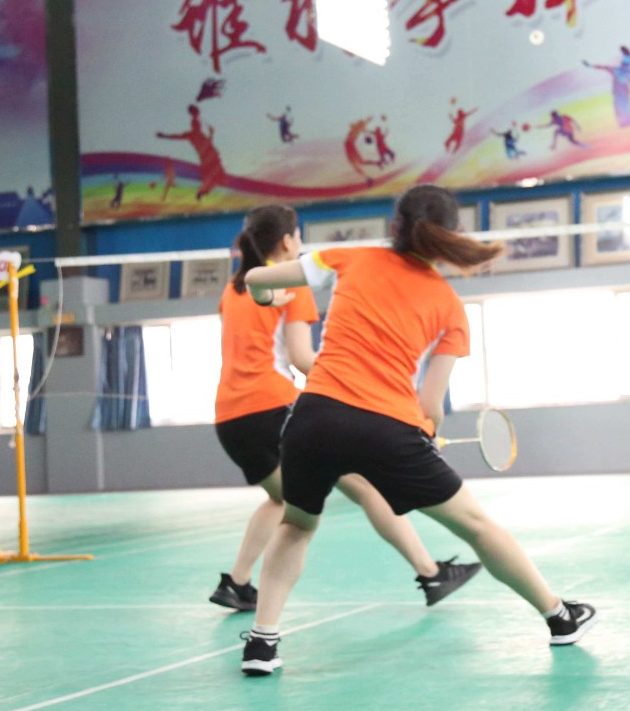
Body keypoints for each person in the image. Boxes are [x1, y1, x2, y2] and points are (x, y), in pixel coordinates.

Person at [239, 185, 596, 675]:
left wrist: (266, 295)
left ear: (395, 226)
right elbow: (430, 405)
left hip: (313, 419)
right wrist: (425, 432)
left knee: (297, 526)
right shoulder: (450, 308)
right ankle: (559, 617)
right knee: (477, 526)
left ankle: (262, 644)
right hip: (387, 428)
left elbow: (256, 278)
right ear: (451, 236)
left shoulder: (351, 258)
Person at [210, 204, 481, 617]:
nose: (300, 241)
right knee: (366, 488)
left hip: (230, 418)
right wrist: (355, 381)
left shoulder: (233, 291)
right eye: (298, 235)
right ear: (287, 241)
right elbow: (301, 358)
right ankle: (430, 573)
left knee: (282, 501)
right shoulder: (292, 287)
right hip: (272, 405)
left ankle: (238, 582)